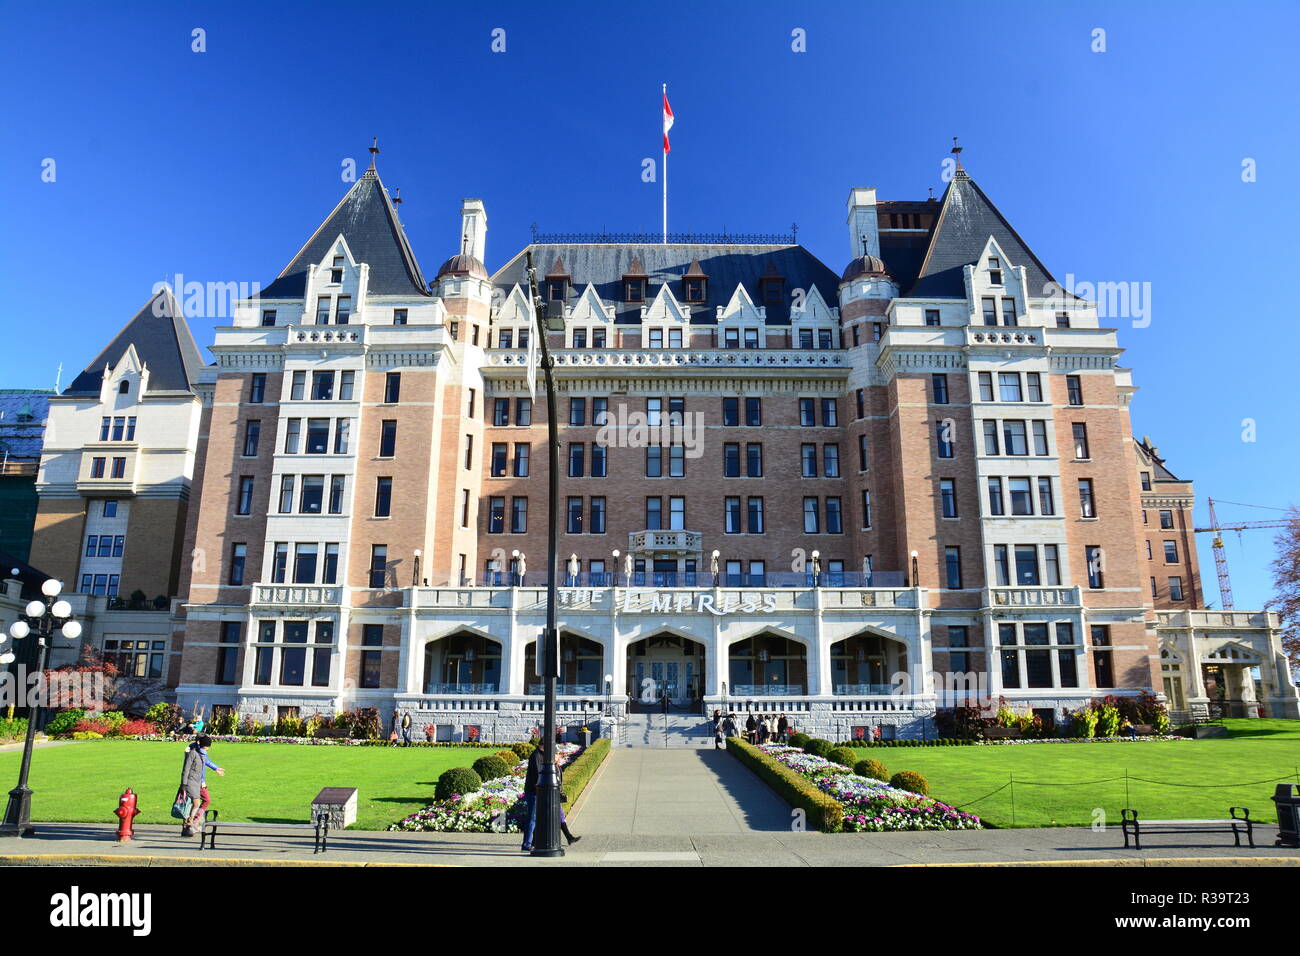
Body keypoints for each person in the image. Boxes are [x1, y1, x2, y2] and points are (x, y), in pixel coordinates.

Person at [521, 743, 579, 851]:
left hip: (544, 793)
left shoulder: (548, 760)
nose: (556, 755)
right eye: (555, 753)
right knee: (533, 818)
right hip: (535, 792)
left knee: (546, 817)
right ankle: (527, 843)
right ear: (544, 745)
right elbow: (540, 774)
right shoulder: (536, 756)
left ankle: (533, 842)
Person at [179, 734, 224, 838]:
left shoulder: (202, 752)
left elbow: (206, 761)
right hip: (192, 782)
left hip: (199, 781)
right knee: (192, 803)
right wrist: (184, 784)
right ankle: (190, 825)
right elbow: (186, 769)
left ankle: (192, 824)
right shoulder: (192, 751)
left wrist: (216, 768)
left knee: (201, 801)